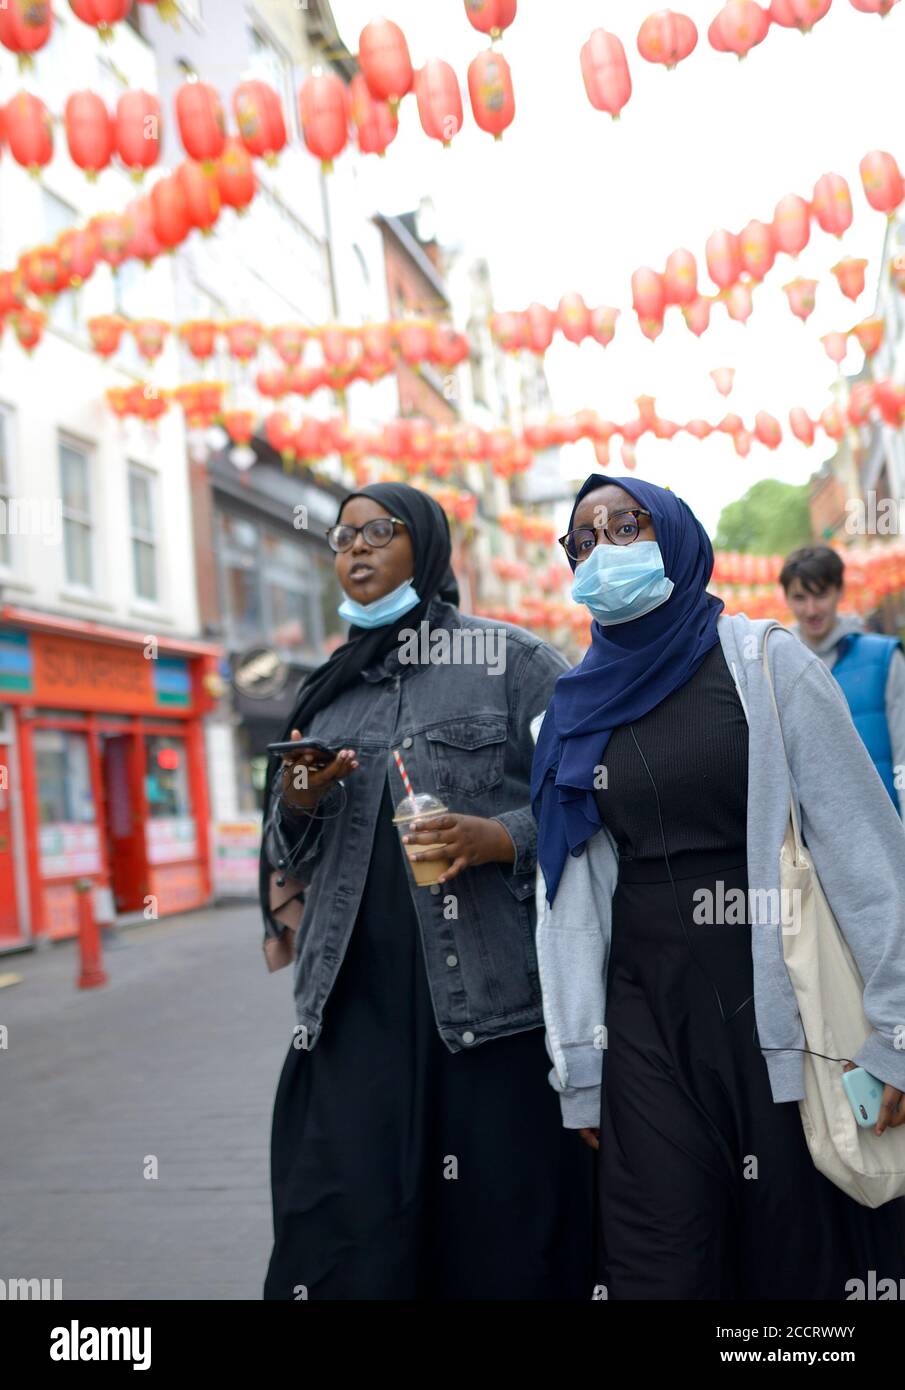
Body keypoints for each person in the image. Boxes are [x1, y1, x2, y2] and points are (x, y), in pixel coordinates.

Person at [530, 474, 905, 1301]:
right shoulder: (570, 710)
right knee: (656, 1252)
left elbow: (866, 855)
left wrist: (894, 1035)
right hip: (644, 1015)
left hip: (777, 1001)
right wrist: (579, 1065)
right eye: (582, 541)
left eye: (624, 526)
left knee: (793, 1252)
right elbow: (568, 901)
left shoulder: (765, 664)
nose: (602, 551)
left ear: (673, 534)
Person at [259, 482, 593, 1301]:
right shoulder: (326, 691)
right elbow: (281, 853)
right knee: (343, 1241)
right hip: (351, 1011)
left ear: (427, 547)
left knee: (499, 1244)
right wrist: (298, 803)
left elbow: (589, 794)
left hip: (486, 1011)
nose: (356, 548)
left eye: (378, 531)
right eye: (341, 538)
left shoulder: (510, 662)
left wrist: (497, 837)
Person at [780, 544, 905, 812]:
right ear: (787, 599)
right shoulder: (778, 668)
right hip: (817, 839)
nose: (811, 610)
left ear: (840, 591)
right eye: (800, 597)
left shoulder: (884, 658)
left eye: (821, 595)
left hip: (887, 825)